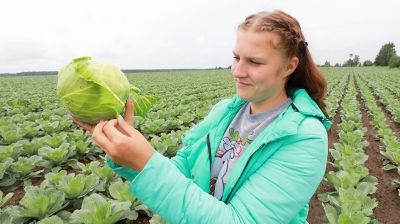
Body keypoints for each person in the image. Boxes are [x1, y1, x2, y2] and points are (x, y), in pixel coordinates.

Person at [70, 10, 331, 224]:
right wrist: (124, 147)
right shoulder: (224, 111)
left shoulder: (304, 137)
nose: (238, 71)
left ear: (290, 66)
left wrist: (146, 161)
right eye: (236, 57)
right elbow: (179, 172)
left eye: (255, 62)